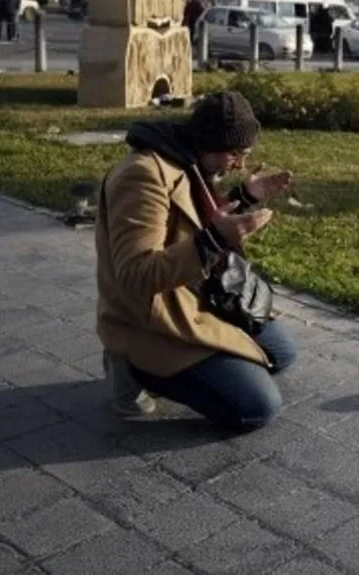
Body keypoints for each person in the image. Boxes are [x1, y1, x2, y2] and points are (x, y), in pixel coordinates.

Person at [95, 92, 299, 432]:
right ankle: (131, 366)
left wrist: (244, 198)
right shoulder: (142, 176)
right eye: (237, 154)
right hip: (151, 317)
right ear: (213, 143)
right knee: (256, 407)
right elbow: (135, 275)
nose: (239, 164)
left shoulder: (186, 160)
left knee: (282, 352)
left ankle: (205, 365)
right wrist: (216, 240)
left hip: (196, 295)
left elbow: (191, 220)